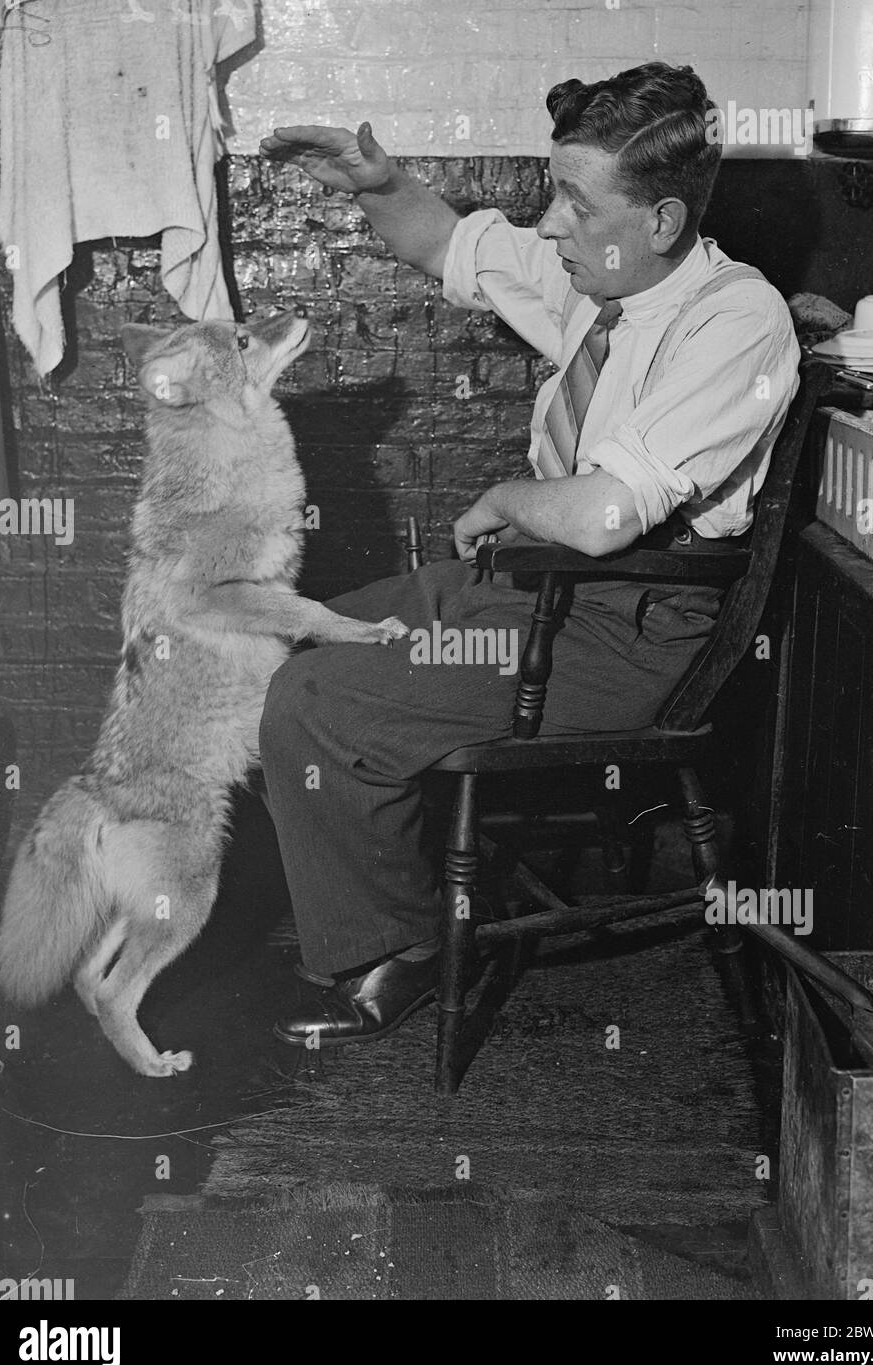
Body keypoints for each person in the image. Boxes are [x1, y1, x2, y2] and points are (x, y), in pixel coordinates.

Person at [257, 62, 801, 1047]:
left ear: (662, 223)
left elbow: (600, 520)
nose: (548, 222)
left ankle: (401, 945)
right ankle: (394, 914)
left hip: (623, 633)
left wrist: (509, 496)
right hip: (532, 592)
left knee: (317, 701)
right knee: (292, 650)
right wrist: (376, 181)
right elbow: (442, 242)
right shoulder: (594, 275)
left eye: (570, 200)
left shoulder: (735, 321)